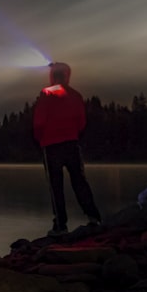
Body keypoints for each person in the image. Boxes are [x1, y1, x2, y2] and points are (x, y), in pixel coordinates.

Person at [32, 62, 102, 236]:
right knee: (79, 181)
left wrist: (40, 139)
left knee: (56, 186)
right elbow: (81, 122)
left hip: (51, 145)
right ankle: (94, 217)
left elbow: (39, 122)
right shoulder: (75, 95)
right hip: (71, 143)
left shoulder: (47, 93)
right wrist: (72, 134)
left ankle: (60, 226)